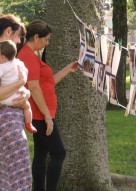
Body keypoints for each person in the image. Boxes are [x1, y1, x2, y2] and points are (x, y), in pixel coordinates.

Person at [17, 19, 78, 191]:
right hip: (39, 114)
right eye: (46, 39)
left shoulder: (31, 55)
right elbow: (34, 88)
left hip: (41, 113)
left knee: (41, 154)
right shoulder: (27, 56)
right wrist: (47, 116)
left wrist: (68, 69)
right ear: (36, 37)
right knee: (59, 153)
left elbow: (48, 82)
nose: (47, 43)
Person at [0, 14, 32, 190]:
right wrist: (20, 84)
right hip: (7, 126)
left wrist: (24, 93)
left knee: (8, 177)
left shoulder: (9, 60)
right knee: (19, 176)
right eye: (18, 36)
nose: (20, 41)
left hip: (12, 121)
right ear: (8, 31)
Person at [0, 40, 37, 133]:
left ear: (2, 57)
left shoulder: (2, 66)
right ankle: (29, 124)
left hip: (6, 98)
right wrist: (22, 81)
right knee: (27, 107)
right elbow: (25, 72)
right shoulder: (18, 62)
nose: (19, 40)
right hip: (18, 94)